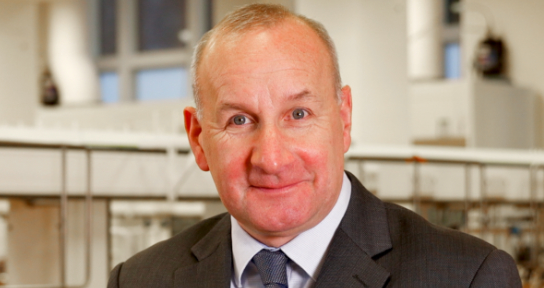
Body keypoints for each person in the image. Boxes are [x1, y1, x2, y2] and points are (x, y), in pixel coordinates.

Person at [108, 4, 521, 288]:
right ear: (198, 139)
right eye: (239, 120)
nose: (270, 158)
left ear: (343, 119)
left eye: (299, 114)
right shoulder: (141, 279)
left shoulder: (467, 277)